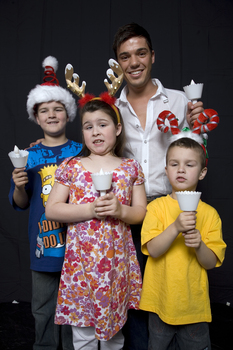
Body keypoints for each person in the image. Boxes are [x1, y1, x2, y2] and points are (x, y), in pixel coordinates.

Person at [112, 22, 205, 349]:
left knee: (174, 284)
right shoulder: (112, 107)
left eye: (140, 53)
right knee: (136, 289)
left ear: (152, 56)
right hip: (130, 211)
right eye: (125, 56)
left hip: (172, 206)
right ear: (119, 63)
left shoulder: (179, 101)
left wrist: (198, 129)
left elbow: (195, 153)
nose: (133, 62)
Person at [45, 94, 147, 350]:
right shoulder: (72, 166)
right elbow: (53, 210)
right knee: (84, 335)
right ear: (82, 132)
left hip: (116, 265)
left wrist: (120, 210)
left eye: (103, 124)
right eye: (88, 126)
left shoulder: (130, 167)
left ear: (118, 128)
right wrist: (91, 209)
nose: (96, 131)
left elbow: (141, 212)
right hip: (81, 266)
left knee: (113, 334)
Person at [8, 56, 82, 350]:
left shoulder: (81, 152)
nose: (52, 115)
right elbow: (21, 203)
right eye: (44, 111)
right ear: (36, 118)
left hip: (78, 244)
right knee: (43, 308)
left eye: (58, 109)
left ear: (68, 114)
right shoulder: (28, 156)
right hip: (42, 244)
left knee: (74, 308)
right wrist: (18, 185)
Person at [139, 136, 226, 350]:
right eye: (174, 164)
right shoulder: (156, 208)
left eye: (189, 164)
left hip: (193, 307)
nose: (181, 170)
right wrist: (175, 227)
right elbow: (153, 250)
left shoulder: (210, 214)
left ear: (202, 172)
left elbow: (209, 263)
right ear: (166, 169)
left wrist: (198, 245)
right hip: (160, 303)